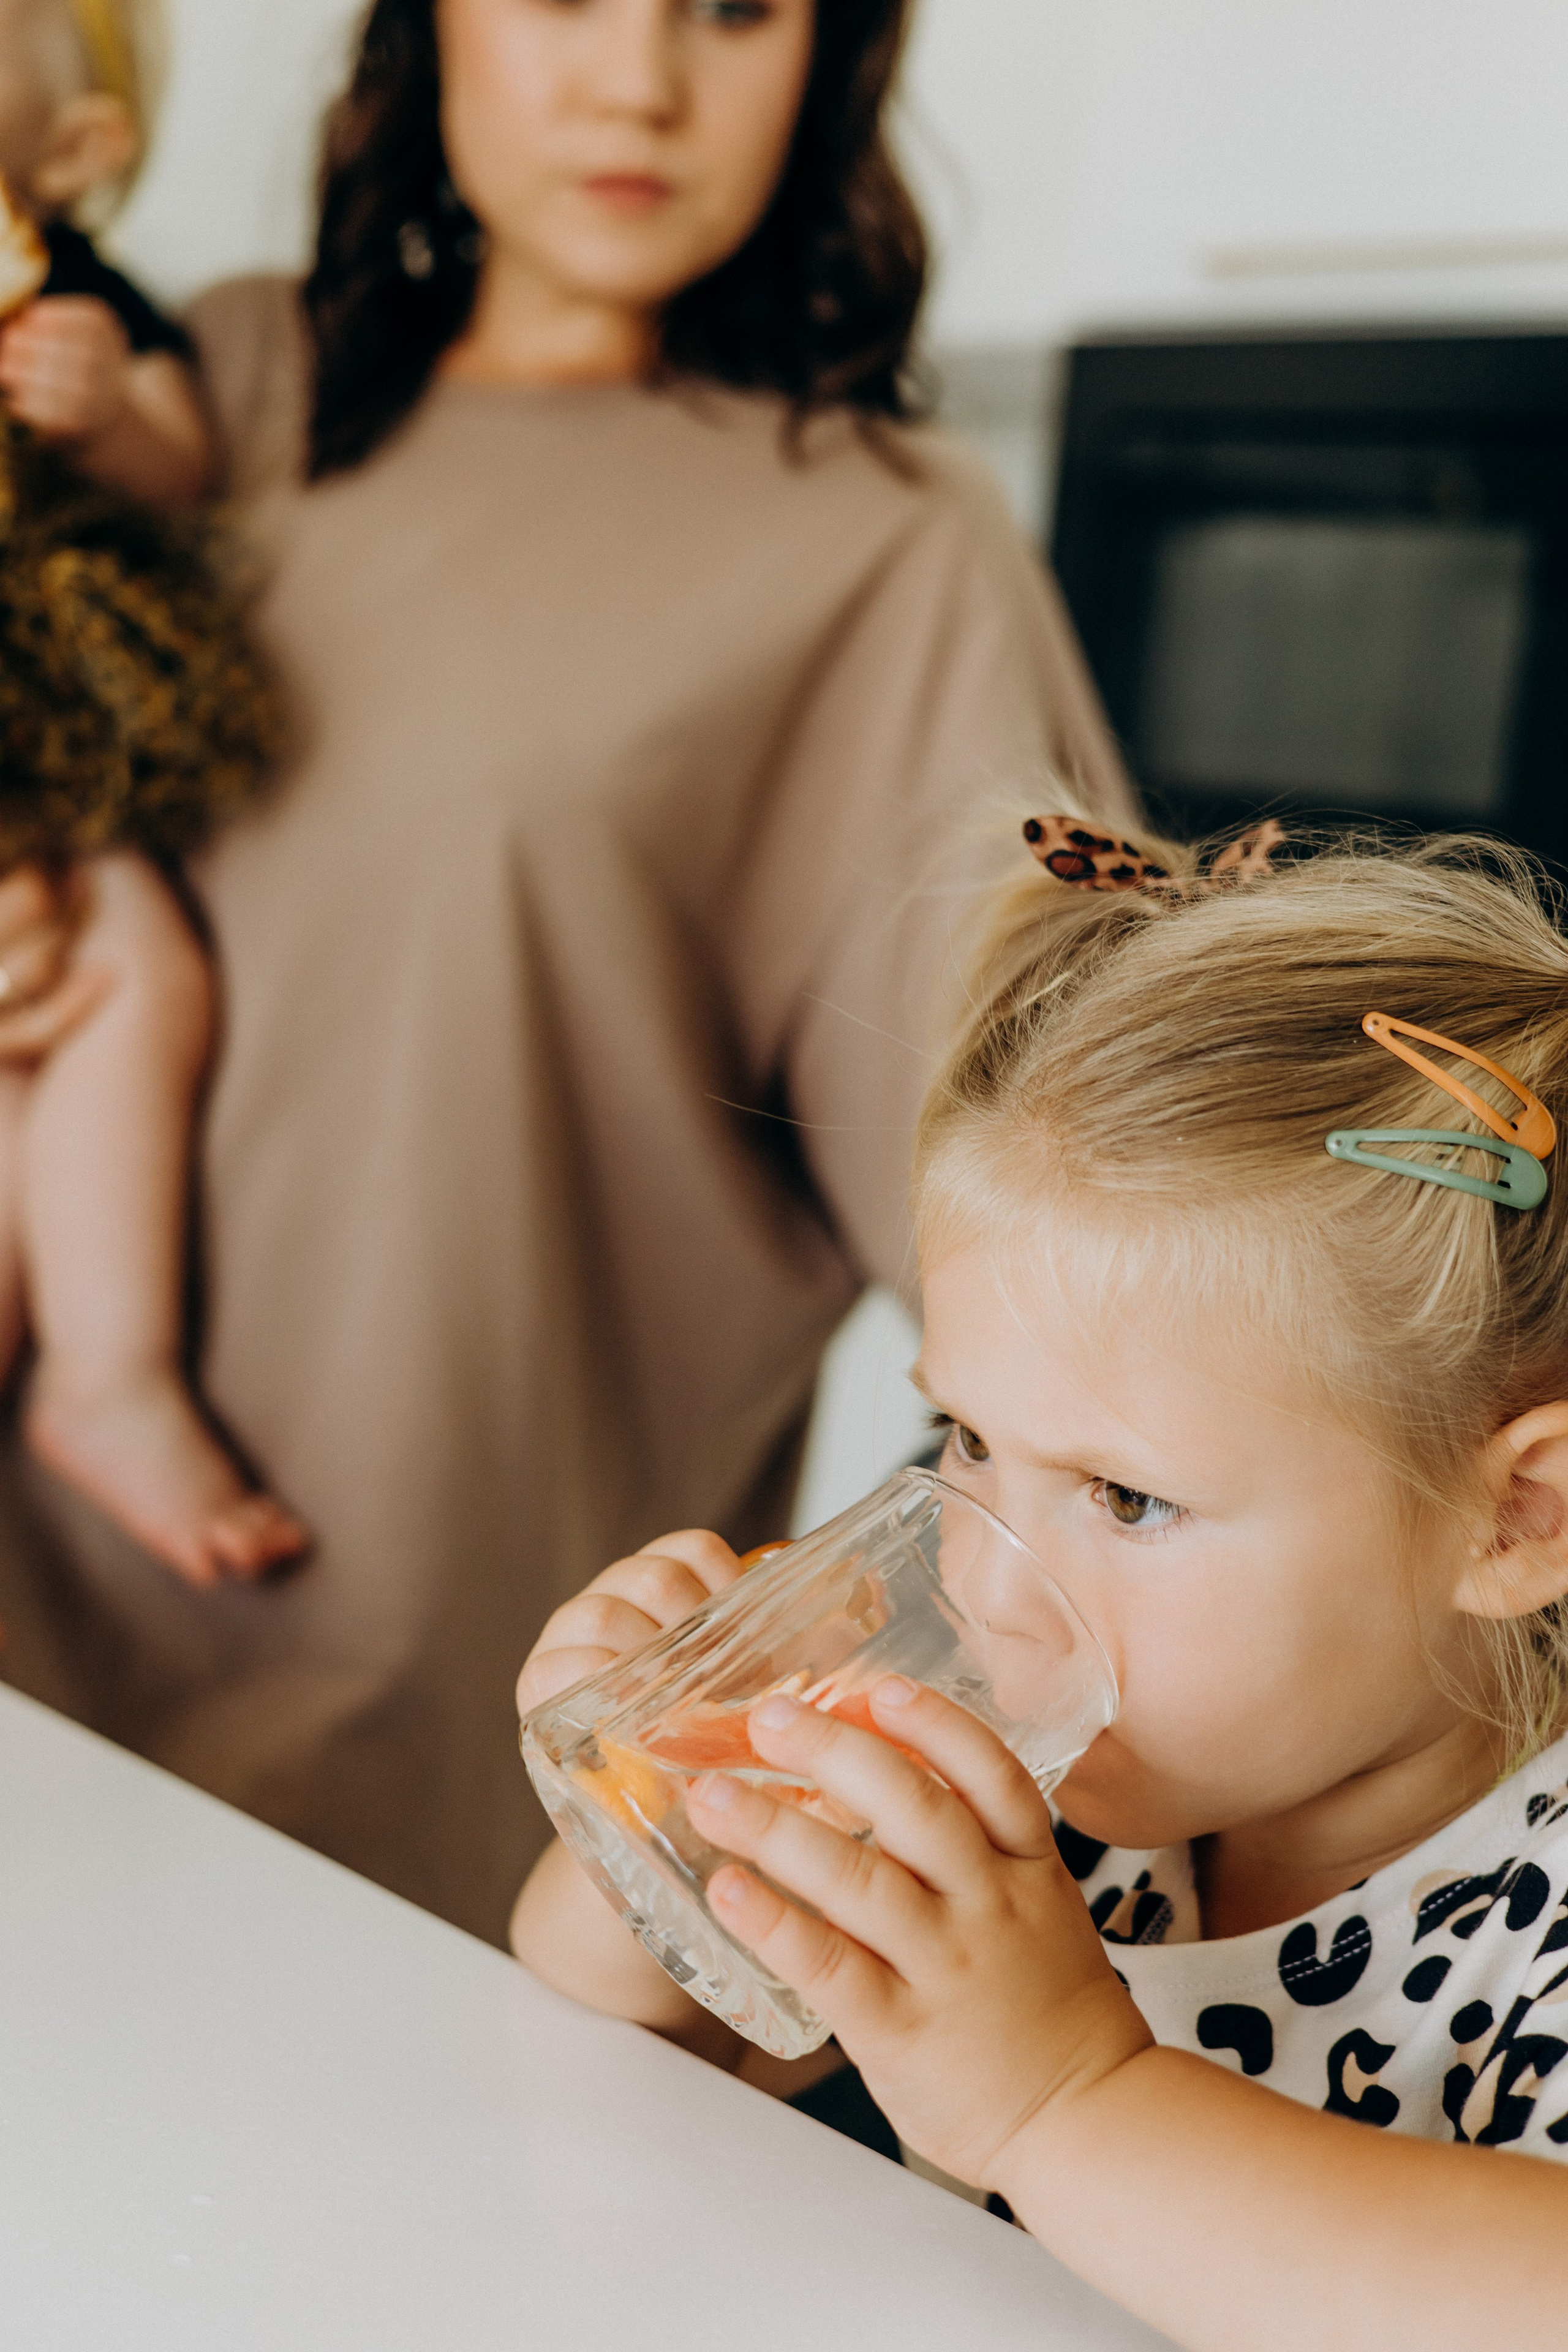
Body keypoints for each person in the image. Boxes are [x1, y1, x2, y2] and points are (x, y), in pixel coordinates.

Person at [0, 0, 1131, 1943]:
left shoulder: (885, 553)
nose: (638, 81)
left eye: (733, 10)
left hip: (421, 1764)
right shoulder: (220, 384)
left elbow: (1091, 1246)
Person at [513, 820, 1568, 2345]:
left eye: (1127, 1496)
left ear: (1516, 1520)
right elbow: (625, 2067)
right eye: (968, 1440)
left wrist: (1068, 2101)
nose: (990, 1584)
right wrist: (663, 1812)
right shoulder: (1063, 1808)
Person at [0, 0, 308, 1586]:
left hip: (51, 758)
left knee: (136, 976)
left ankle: (109, 1370)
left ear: (72, 150)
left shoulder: (79, 305)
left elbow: (186, 459)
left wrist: (103, 405)